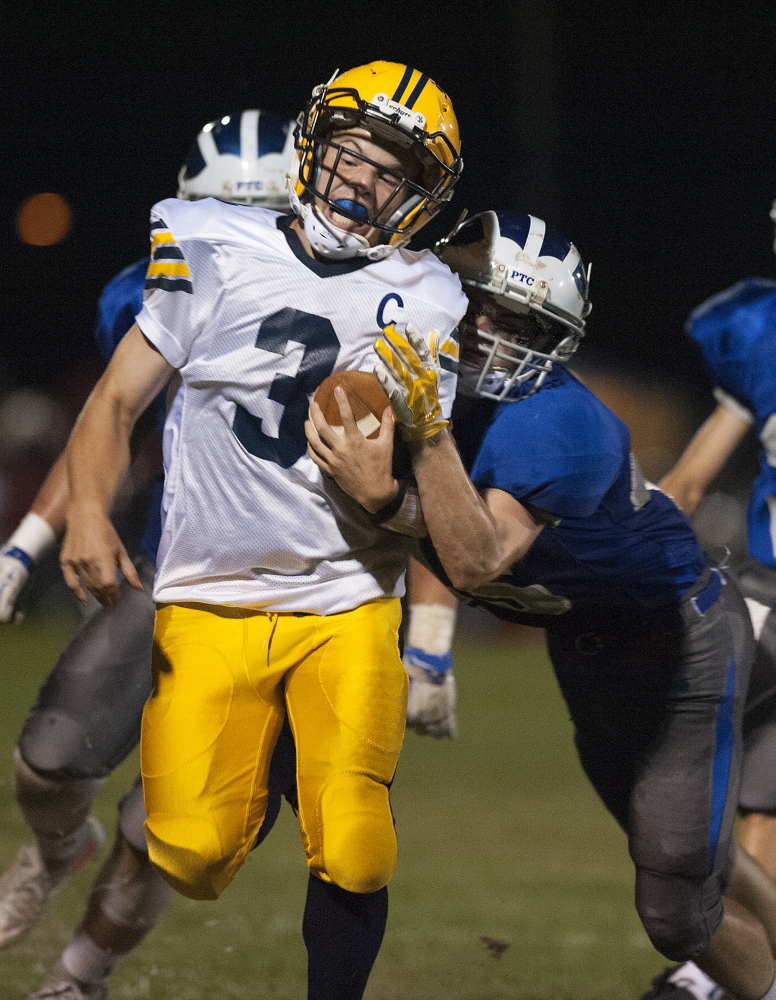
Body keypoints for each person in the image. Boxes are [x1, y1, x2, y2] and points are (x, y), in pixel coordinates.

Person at [58, 61, 466, 1000]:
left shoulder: (431, 298)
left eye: (393, 169)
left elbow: (431, 491)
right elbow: (115, 401)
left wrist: (390, 501)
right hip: (209, 594)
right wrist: (84, 508)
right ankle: (278, 763)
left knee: (358, 843)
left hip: (345, 596)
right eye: (355, 153)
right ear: (314, 145)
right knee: (192, 858)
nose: (364, 181)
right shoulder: (206, 240)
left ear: (420, 197)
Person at [306, 209, 776, 1000]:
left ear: (555, 334)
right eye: (479, 305)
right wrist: (425, 642)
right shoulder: (438, 395)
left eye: (518, 317)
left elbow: (471, 553)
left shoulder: (557, 421)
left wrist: (393, 488)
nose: (489, 329)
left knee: (675, 910)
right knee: (701, 860)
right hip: (588, 650)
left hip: (679, 649)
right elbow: (438, 525)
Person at [0, 108, 298, 1000]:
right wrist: (30, 543)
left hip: (293, 610)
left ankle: (76, 980)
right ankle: (59, 848)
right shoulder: (150, 291)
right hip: (172, 580)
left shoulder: (361, 299)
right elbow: (108, 422)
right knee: (46, 765)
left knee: (157, 828)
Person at [638, 202, 776, 1000]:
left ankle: (715, 969)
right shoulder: (758, 330)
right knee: (738, 799)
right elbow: (687, 482)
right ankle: (721, 964)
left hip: (761, 601)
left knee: (708, 793)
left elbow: (689, 482)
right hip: (763, 596)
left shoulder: (757, 325)